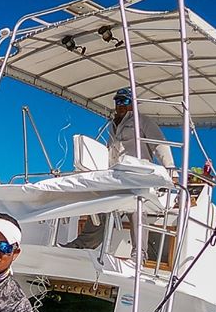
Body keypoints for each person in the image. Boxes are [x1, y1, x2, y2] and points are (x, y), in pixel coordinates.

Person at [66, 87, 176, 250]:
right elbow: (110, 150)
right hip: (117, 176)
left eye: (124, 101)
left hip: (138, 176)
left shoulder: (143, 121)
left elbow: (159, 145)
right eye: (118, 101)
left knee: (136, 207)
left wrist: (171, 171)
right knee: (101, 203)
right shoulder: (113, 125)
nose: (120, 105)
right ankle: (82, 246)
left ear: (132, 104)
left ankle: (139, 253)